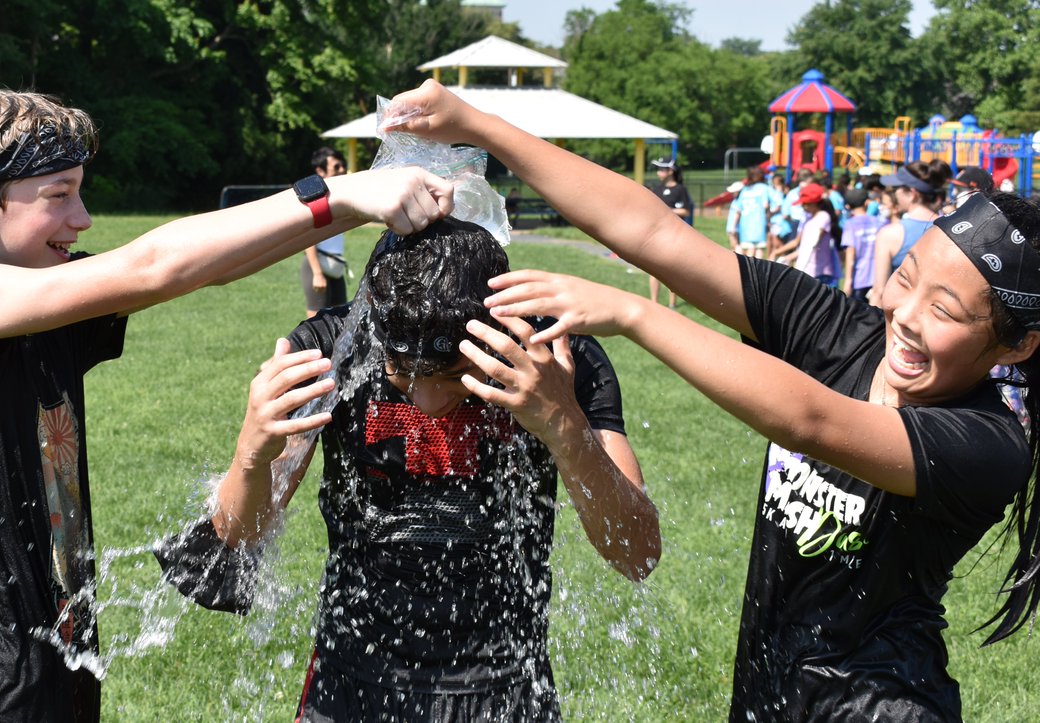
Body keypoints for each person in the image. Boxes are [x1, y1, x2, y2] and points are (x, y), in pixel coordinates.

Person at [386, 78, 1040, 722]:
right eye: (905, 276)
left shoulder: (986, 442)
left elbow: (810, 419)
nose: (906, 314)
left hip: (881, 702)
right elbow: (653, 233)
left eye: (946, 310)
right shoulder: (839, 332)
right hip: (770, 688)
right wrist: (477, 125)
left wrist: (633, 313)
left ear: (1015, 347)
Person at [0, 80, 453, 722]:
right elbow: (153, 264)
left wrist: (370, 206)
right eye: (58, 196)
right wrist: (338, 195)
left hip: (59, 677)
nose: (83, 218)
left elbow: (202, 265)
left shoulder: (39, 309)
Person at [157, 217, 660, 721]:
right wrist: (251, 453)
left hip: (505, 681)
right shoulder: (334, 349)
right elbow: (241, 540)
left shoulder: (556, 361)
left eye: (455, 376)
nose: (429, 399)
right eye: (403, 375)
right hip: (351, 673)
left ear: (498, 327)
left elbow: (636, 554)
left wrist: (565, 426)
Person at [867, 159, 951, 307]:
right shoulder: (950, 228)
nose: (894, 194)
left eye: (896, 189)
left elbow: (879, 291)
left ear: (912, 194)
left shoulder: (890, 234)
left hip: (899, 318)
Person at [302, 147, 349, 318]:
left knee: (341, 320)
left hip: (335, 267)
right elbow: (309, 239)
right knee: (316, 322)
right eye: (336, 167)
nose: (342, 169)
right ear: (320, 171)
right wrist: (317, 273)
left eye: (343, 165)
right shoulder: (316, 199)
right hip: (318, 265)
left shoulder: (338, 197)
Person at [771, 182, 839, 287]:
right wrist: (778, 253)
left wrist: (797, 262)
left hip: (821, 272)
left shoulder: (823, 217)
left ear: (814, 203)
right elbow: (797, 243)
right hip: (807, 271)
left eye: (805, 203)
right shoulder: (807, 218)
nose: (802, 206)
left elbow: (812, 244)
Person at [649, 156, 693, 308]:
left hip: (673, 235)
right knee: (653, 269)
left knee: (671, 271)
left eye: (662, 169)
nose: (658, 172)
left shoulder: (680, 190)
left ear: (670, 171)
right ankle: (654, 303)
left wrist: (667, 211)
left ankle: (672, 304)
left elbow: (685, 211)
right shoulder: (657, 189)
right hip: (657, 234)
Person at [840, 187, 885, 302]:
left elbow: (851, 253)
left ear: (848, 206)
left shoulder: (850, 225)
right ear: (866, 203)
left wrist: (848, 280)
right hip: (879, 276)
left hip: (859, 278)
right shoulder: (879, 222)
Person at [727, 166, 774, 259]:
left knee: (749, 249)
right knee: (759, 249)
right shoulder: (765, 188)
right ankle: (757, 271)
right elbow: (767, 205)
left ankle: (749, 270)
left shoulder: (745, 190)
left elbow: (738, 210)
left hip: (745, 225)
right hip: (759, 223)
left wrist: (733, 226)